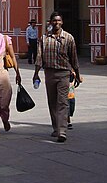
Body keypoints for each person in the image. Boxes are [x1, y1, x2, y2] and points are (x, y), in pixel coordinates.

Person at [32, 11, 80, 143]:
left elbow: (74, 58)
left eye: (59, 20)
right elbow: (39, 57)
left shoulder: (69, 38)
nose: (56, 23)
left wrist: (78, 74)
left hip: (64, 73)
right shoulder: (44, 39)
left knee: (63, 102)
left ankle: (62, 130)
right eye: (54, 21)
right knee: (52, 102)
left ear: (62, 22)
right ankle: (56, 128)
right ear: (50, 22)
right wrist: (36, 73)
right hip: (49, 73)